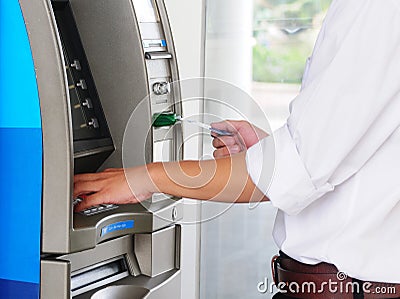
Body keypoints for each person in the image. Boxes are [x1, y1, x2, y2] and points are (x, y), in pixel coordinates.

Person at [74, 0, 400, 298]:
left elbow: (299, 168)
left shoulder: (376, 8)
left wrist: (145, 178)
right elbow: (350, 150)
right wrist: (270, 155)